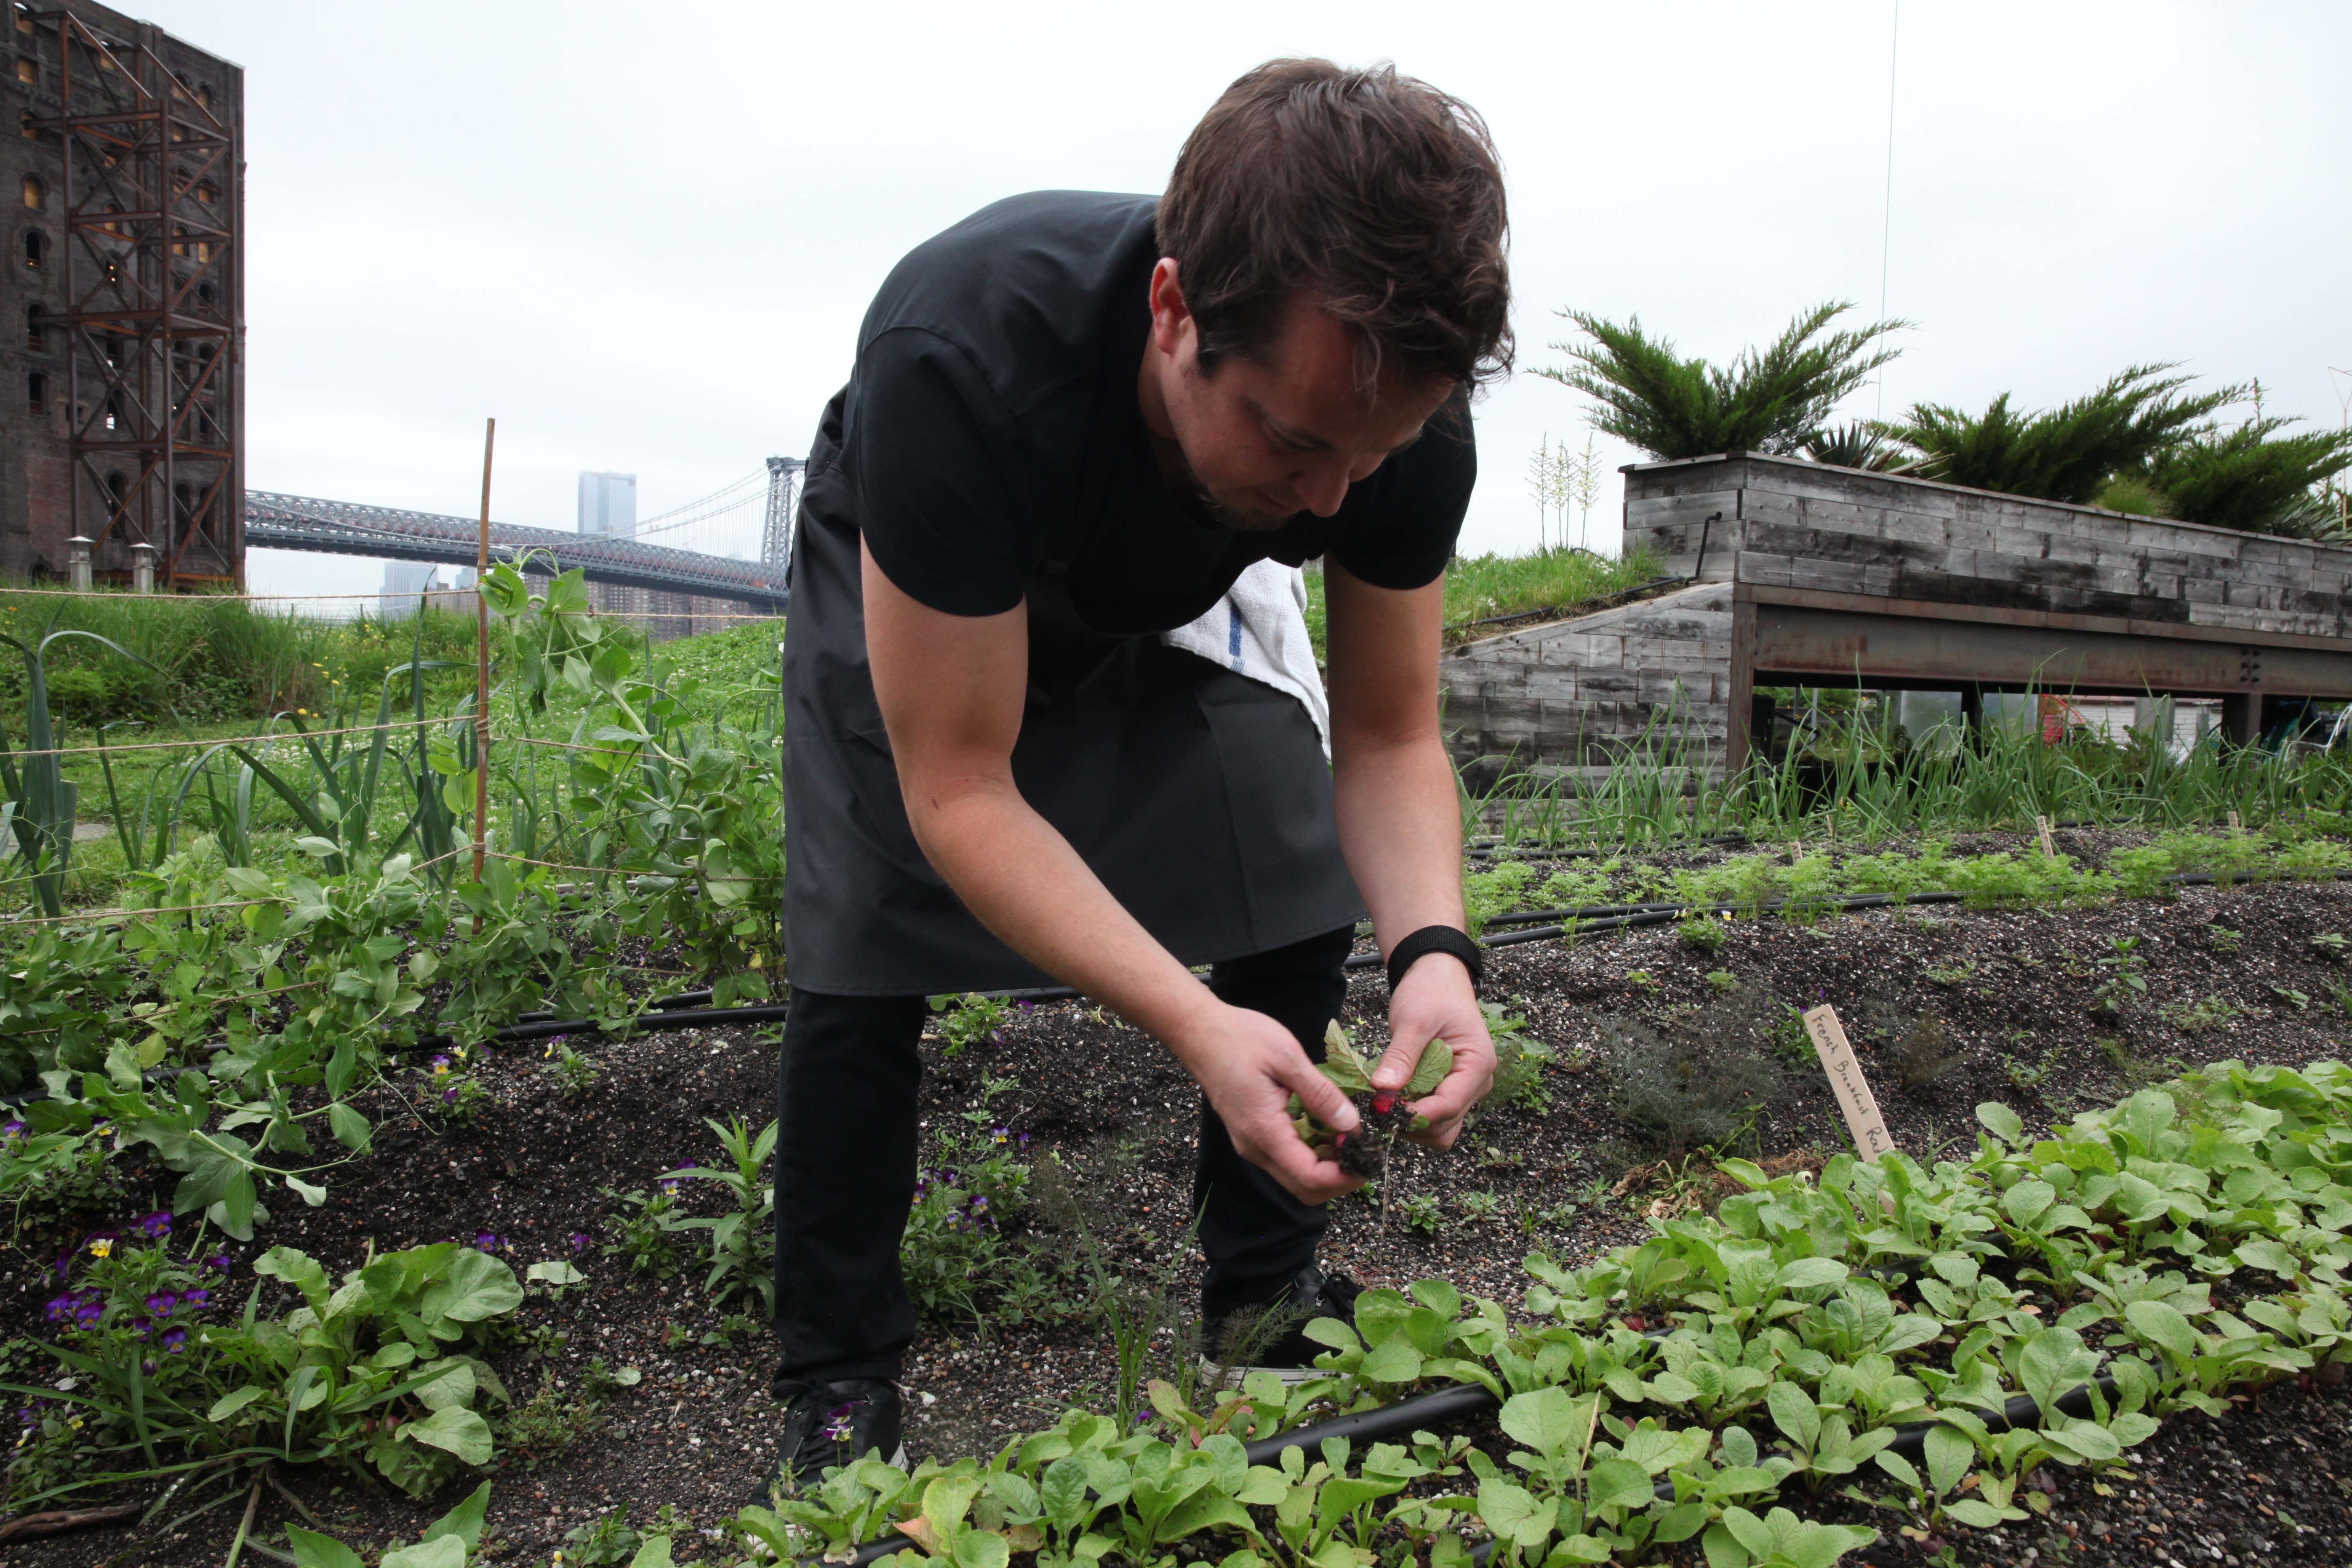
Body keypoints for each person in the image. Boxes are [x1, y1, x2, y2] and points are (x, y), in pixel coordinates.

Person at [768, 57, 1510, 1490]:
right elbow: (964, 787)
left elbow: (1388, 735)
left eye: (1379, 452)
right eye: (1298, 440)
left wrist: (1434, 948)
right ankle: (840, 1373)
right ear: (1174, 313)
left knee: (1287, 858)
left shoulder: (1380, 428)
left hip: (1170, 570)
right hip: (939, 577)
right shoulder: (962, 356)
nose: (1334, 501)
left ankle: (1261, 1294)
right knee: (864, 945)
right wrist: (1187, 1017)